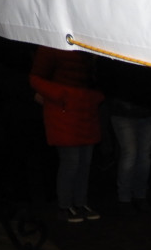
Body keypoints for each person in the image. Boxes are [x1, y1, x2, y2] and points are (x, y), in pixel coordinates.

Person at [30, 46, 104, 222]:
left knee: (84, 162)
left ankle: (80, 202)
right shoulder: (52, 47)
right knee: (71, 161)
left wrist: (95, 96)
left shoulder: (87, 46)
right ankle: (65, 205)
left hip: (85, 108)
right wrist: (63, 95)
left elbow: (97, 77)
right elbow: (36, 78)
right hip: (65, 110)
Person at [99, 59, 151, 215]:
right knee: (130, 154)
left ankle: (139, 195)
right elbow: (105, 78)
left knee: (143, 156)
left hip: (147, 110)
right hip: (124, 110)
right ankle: (125, 198)